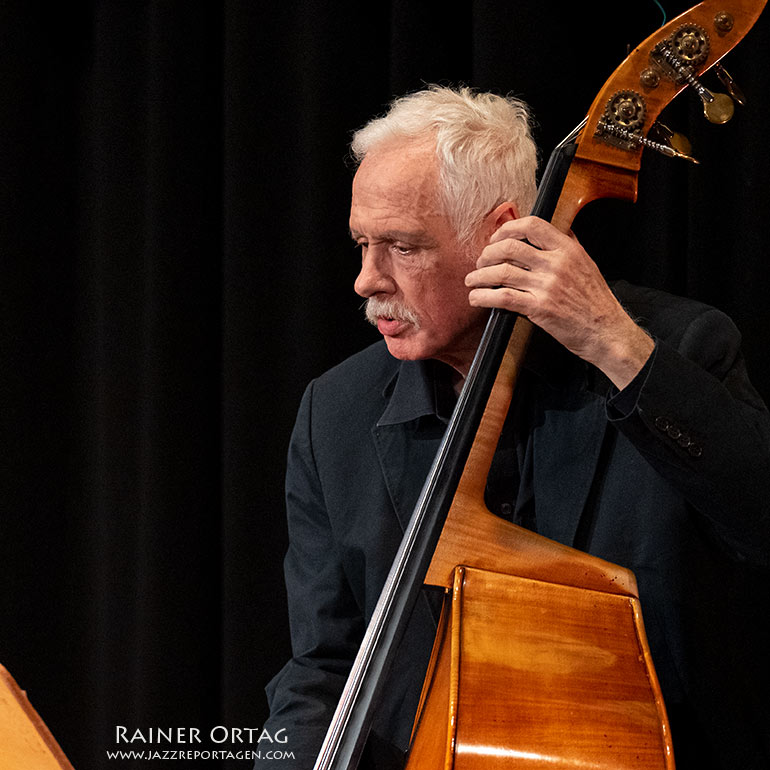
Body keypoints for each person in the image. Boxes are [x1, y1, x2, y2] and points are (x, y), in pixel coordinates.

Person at [257, 86, 770, 770]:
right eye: (362, 244)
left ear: (503, 231)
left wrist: (614, 346)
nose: (365, 279)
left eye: (402, 248)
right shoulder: (336, 411)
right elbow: (322, 666)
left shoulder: (676, 348)